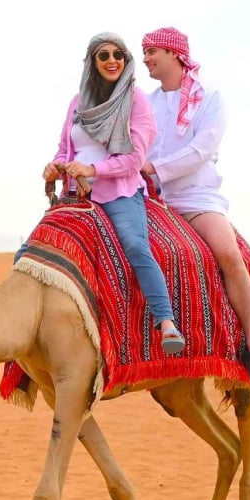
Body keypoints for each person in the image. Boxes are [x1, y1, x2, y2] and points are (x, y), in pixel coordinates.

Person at [140, 27, 250, 383]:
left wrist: (155, 168)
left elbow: (203, 150)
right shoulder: (146, 102)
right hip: (150, 196)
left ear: (174, 54)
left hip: (195, 196)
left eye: (152, 51)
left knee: (229, 254)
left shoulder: (210, 98)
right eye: (144, 53)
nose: (146, 59)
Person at [44, 32, 185, 354]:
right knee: (33, 249)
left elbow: (135, 159)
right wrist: (55, 167)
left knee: (135, 245)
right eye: (104, 55)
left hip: (119, 192)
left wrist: (93, 171)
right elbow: (65, 150)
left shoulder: (136, 100)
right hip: (75, 195)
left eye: (118, 55)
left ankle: (165, 321)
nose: (112, 61)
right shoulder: (78, 103)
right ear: (92, 62)